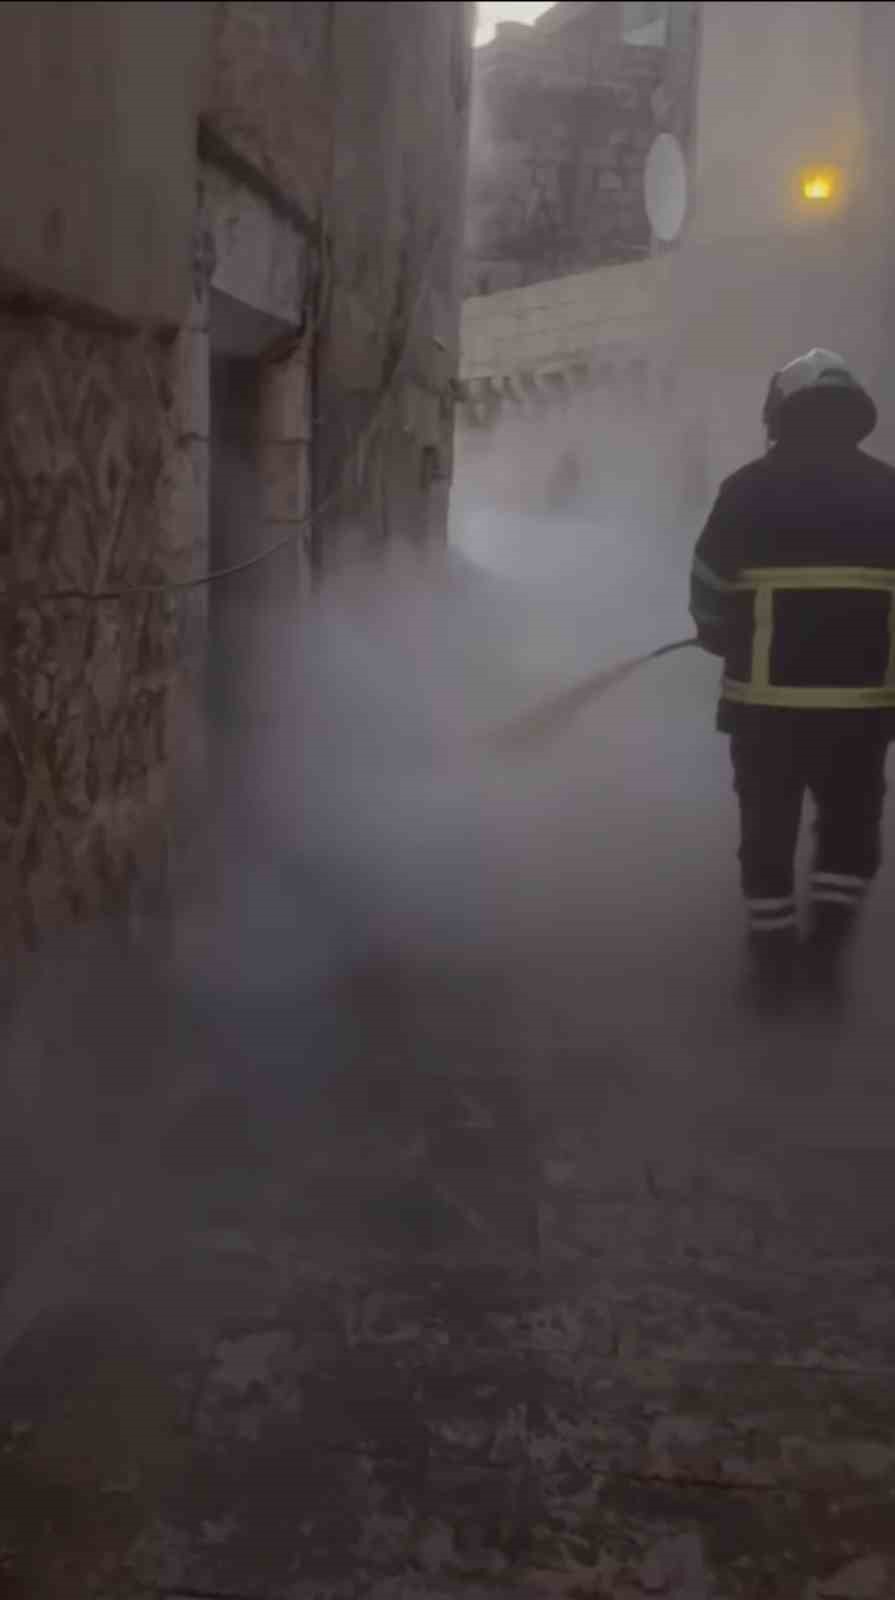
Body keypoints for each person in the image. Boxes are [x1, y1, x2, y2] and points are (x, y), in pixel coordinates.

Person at [689, 349, 895, 1013]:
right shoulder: (889, 488)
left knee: (767, 836)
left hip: (763, 707)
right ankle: (824, 960)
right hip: (864, 709)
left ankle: (773, 970)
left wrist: (715, 631)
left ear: (779, 411)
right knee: (848, 832)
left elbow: (708, 584)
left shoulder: (747, 488)